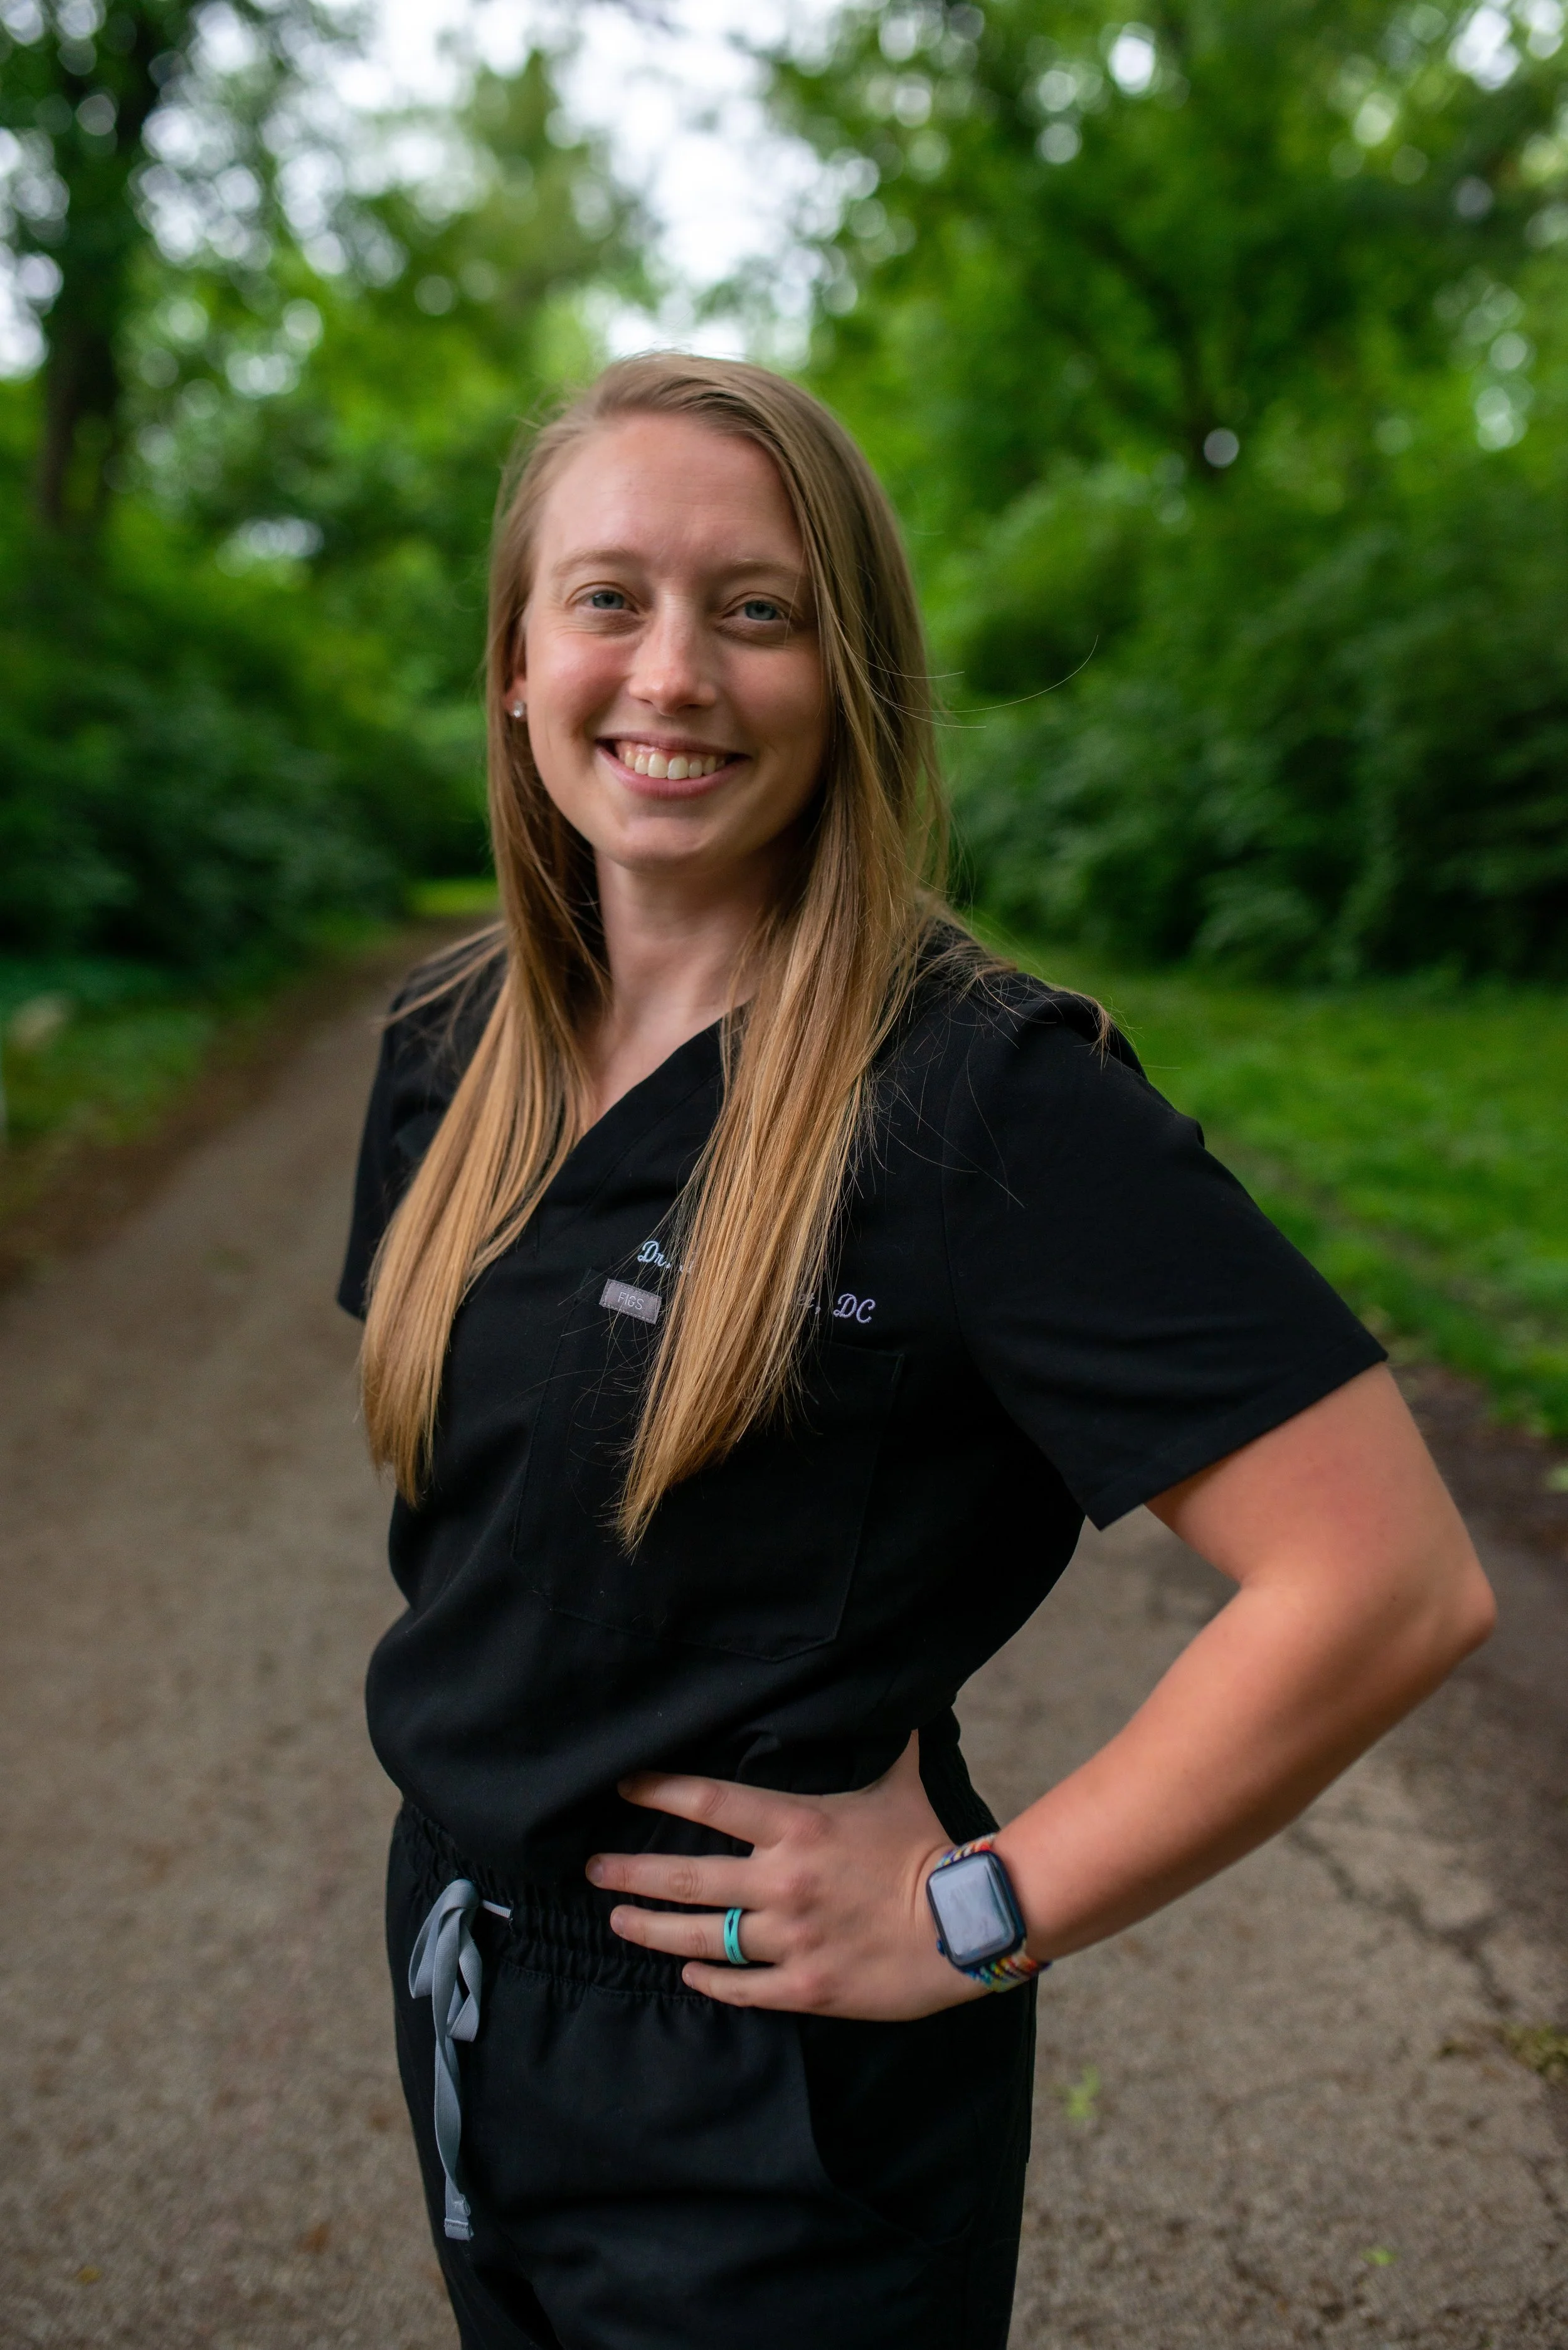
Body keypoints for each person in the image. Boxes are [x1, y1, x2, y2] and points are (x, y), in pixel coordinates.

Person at [337, 353, 1494, 2350]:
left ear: (848, 673)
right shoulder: (448, 1058)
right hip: (460, 1980)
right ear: (517, 664)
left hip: (772, 2097)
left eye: (755, 609)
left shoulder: (984, 1104)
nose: (673, 672)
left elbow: (1384, 1578)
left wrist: (979, 1910)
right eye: (608, 597)